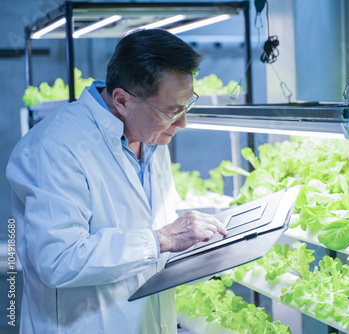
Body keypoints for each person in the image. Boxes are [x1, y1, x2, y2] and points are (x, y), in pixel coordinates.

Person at [6, 29, 227, 334]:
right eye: (172, 111)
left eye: (186, 106)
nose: (182, 122)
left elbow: (148, 232)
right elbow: (58, 260)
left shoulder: (149, 134)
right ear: (122, 100)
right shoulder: (56, 146)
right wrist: (161, 239)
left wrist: (202, 248)